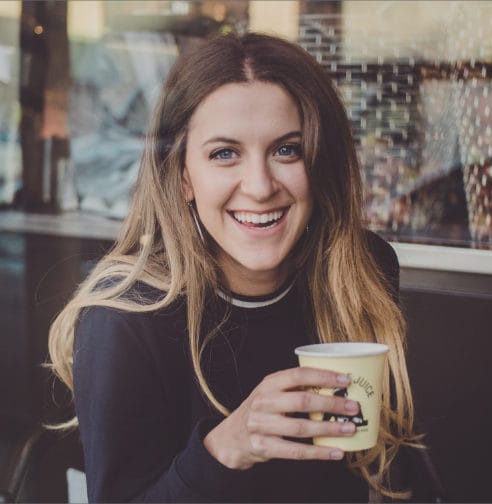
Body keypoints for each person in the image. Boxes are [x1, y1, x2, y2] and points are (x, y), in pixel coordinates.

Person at [48, 32, 426, 503]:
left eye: (286, 149)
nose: (261, 186)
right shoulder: (127, 317)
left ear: (320, 161)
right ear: (184, 176)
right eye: (224, 153)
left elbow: (389, 467)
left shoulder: (362, 270)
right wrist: (224, 448)